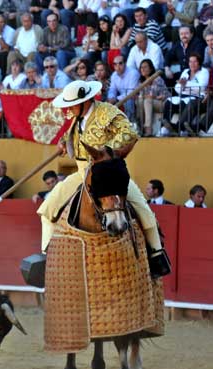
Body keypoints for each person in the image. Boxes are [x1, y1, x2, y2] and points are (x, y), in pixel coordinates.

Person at [37, 80, 170, 279]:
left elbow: (129, 134)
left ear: (85, 101)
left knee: (144, 210)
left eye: (72, 104)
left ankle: (156, 255)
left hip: (108, 173)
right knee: (47, 210)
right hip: (83, 173)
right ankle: (46, 258)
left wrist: (105, 152)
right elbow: (72, 139)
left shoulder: (108, 113)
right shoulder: (77, 118)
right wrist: (64, 142)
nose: (69, 108)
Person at [161, 53, 209, 137]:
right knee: (168, 102)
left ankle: (181, 129)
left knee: (185, 103)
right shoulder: (186, 71)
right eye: (190, 62)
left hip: (196, 98)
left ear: (199, 63)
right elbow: (177, 88)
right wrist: (188, 86)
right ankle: (165, 128)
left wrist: (185, 84)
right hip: (182, 96)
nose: (192, 64)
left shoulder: (204, 71)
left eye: (195, 62)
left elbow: (201, 88)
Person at [136, 59, 168, 137]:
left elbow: (156, 95)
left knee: (147, 101)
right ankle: (140, 127)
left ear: (150, 69)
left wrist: (152, 96)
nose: (142, 69)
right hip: (150, 103)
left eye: (145, 67)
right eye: (141, 67)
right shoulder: (141, 82)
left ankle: (148, 129)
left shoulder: (157, 79)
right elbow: (141, 96)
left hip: (162, 103)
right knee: (139, 101)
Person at [107, 55, 139, 121]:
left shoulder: (133, 73)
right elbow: (112, 89)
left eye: (120, 63)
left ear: (125, 63)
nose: (117, 66)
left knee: (128, 101)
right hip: (122, 98)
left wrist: (116, 99)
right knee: (107, 101)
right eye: (115, 64)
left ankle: (131, 122)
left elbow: (131, 93)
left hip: (135, 98)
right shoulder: (114, 75)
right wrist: (111, 97)